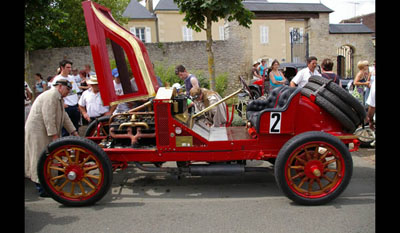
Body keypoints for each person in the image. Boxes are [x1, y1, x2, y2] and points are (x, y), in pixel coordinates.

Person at [25, 79, 79, 197]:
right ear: (60, 86)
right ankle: (42, 188)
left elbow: (64, 117)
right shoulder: (51, 96)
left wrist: (74, 132)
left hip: (44, 131)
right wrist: (54, 136)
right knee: (39, 158)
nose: (68, 92)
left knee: (48, 157)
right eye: (67, 89)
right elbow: (48, 117)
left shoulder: (58, 97)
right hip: (38, 131)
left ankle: (48, 182)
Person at [52, 60, 81, 136]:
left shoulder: (71, 78)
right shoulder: (57, 79)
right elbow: (54, 94)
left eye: (70, 67)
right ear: (62, 68)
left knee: (75, 128)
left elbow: (75, 91)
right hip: (66, 106)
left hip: (74, 105)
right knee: (65, 130)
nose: (69, 69)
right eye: (67, 67)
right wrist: (63, 104)